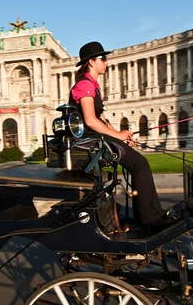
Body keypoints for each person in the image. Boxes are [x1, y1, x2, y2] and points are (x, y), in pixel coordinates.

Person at [69, 41, 173, 232]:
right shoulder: (85, 86)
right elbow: (91, 121)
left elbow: (101, 119)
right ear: (91, 62)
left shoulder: (92, 86)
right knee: (140, 164)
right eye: (103, 59)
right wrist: (116, 135)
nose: (107, 63)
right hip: (91, 143)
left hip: (98, 140)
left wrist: (121, 136)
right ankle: (150, 218)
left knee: (137, 163)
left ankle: (148, 215)